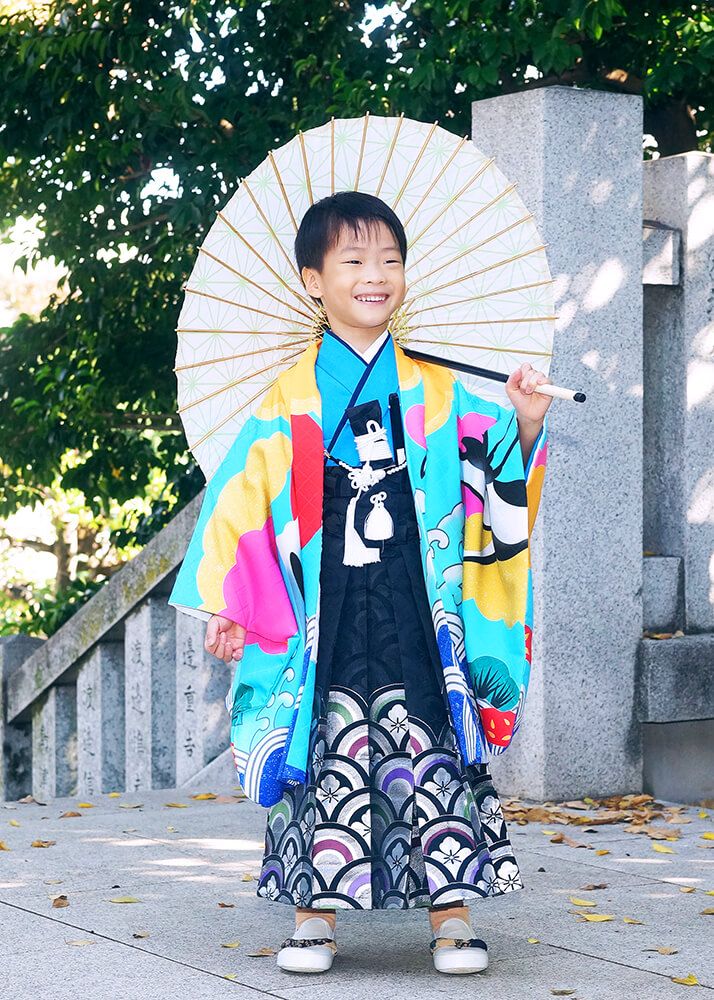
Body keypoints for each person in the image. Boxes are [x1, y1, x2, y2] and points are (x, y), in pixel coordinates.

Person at [168, 190, 551, 976]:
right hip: (326, 606)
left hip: (419, 599)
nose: (375, 275)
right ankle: (315, 912)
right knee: (323, 742)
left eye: (390, 260)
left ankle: (451, 913)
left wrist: (527, 422)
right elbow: (244, 499)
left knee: (432, 739)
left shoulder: (441, 390)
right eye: (353, 261)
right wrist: (234, 604)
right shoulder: (288, 398)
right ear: (314, 279)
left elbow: (496, 479)